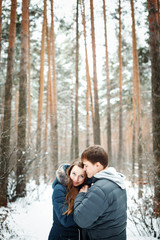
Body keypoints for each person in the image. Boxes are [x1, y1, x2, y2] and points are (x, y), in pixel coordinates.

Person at [74, 145, 127, 240]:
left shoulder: (100, 189)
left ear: (97, 165)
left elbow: (81, 220)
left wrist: (81, 195)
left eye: (86, 165)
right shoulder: (117, 182)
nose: (84, 169)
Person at [48, 160, 87, 240]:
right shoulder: (59, 189)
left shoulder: (84, 189)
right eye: (74, 174)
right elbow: (66, 219)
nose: (76, 179)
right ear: (69, 172)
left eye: (81, 176)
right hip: (61, 236)